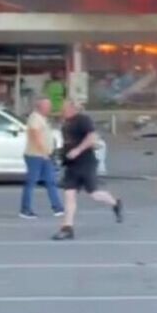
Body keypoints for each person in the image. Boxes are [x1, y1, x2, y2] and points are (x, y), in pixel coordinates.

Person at [52, 100, 121, 240]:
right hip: (71, 165)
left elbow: (92, 137)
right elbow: (68, 143)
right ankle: (67, 228)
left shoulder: (83, 120)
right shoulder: (65, 124)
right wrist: (61, 154)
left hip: (86, 163)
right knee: (69, 194)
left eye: (64, 108)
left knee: (94, 194)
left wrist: (78, 150)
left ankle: (115, 203)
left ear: (72, 108)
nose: (62, 110)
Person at [20, 99, 64, 220]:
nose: (49, 108)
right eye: (47, 106)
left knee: (51, 181)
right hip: (35, 155)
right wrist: (43, 151)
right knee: (31, 182)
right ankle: (25, 209)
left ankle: (58, 207)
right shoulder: (35, 118)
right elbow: (35, 134)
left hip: (44, 155)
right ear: (41, 107)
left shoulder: (42, 118)